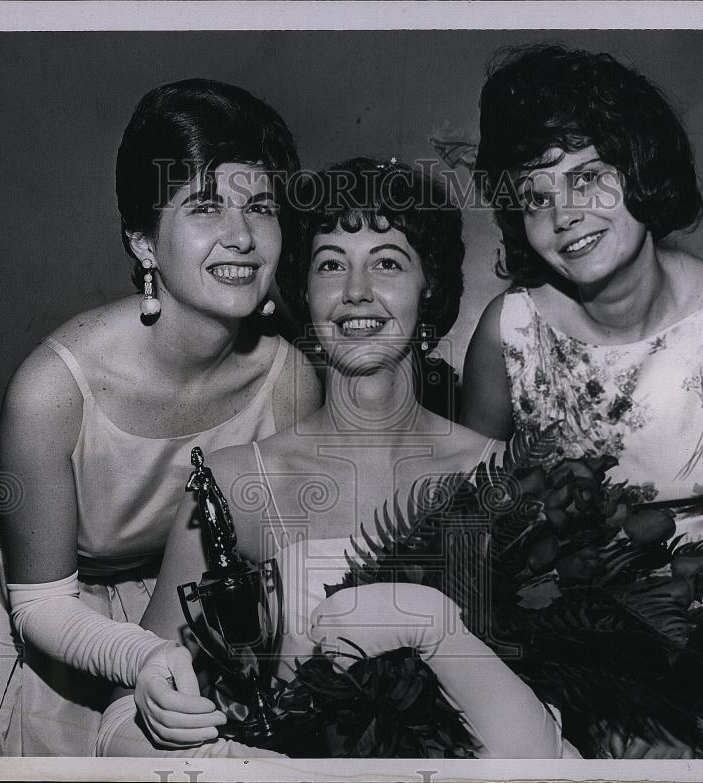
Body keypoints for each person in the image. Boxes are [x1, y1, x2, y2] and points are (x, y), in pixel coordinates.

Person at [0, 79, 321, 756]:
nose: (241, 236)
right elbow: (40, 603)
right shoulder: (51, 389)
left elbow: (274, 568)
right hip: (31, 601)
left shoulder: (290, 384)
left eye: (260, 207)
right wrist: (141, 656)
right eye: (205, 206)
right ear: (144, 242)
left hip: (172, 595)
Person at [96, 158, 576, 759]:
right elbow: (125, 710)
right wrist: (200, 739)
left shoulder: (505, 479)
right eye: (330, 265)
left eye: (387, 263)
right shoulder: (235, 483)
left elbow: (558, 727)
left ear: (428, 287)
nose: (355, 292)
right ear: (304, 291)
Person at [460, 44, 703, 758]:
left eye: (587, 177)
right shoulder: (507, 332)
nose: (565, 214)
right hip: (567, 684)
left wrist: (695, 665)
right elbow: (472, 525)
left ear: (640, 168)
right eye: (536, 196)